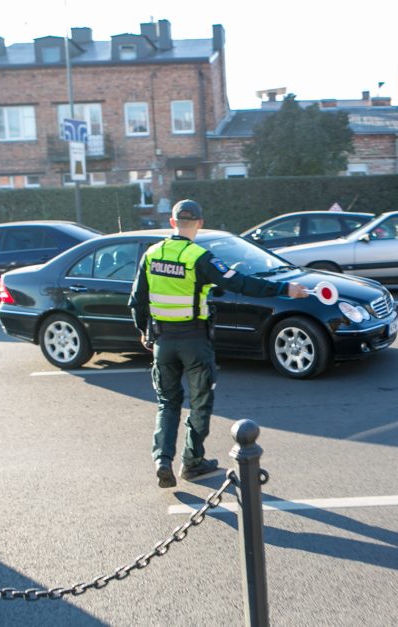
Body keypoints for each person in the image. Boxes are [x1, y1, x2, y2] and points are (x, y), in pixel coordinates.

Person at [129, 199, 308, 488]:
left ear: (172, 223)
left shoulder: (151, 254)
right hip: (194, 342)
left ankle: (163, 460)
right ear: (199, 223)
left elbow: (136, 300)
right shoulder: (199, 257)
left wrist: (143, 331)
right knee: (200, 403)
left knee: (167, 403)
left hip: (163, 341)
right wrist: (285, 288)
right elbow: (240, 283)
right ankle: (193, 461)